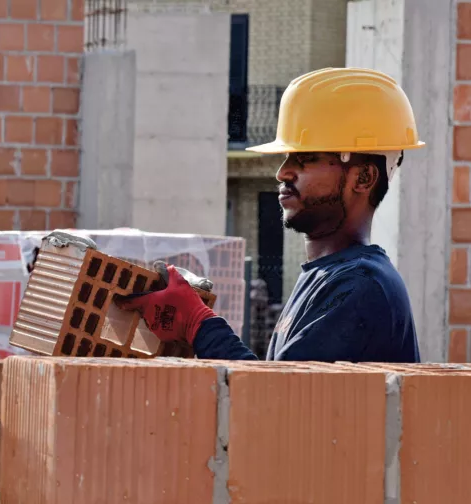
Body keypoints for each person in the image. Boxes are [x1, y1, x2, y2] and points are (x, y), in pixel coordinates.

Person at [116, 67, 424, 362]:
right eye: (287, 157)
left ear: (364, 178)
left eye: (306, 158)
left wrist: (198, 323)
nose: (282, 172)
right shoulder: (330, 276)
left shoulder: (360, 287)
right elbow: (279, 383)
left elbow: (274, 395)